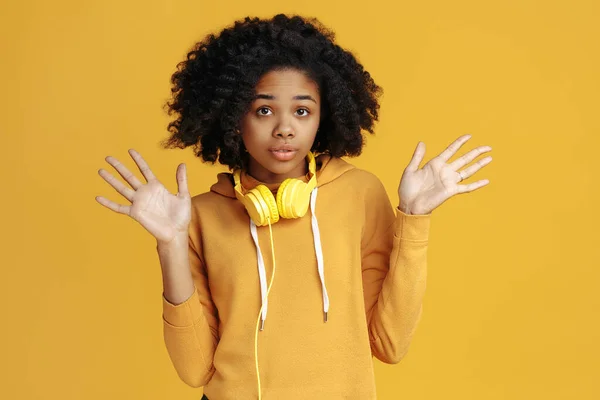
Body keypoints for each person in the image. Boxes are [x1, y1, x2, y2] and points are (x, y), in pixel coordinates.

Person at [96, 13, 492, 400]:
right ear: (235, 118)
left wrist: (415, 221)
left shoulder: (360, 194)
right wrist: (170, 244)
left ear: (323, 117)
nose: (285, 128)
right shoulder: (197, 217)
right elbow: (194, 368)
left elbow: (389, 345)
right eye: (264, 110)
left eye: (302, 111)